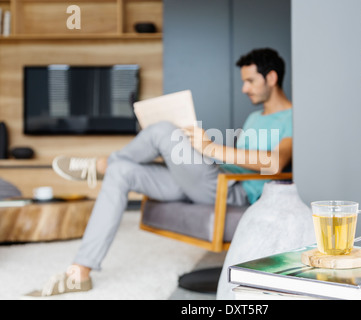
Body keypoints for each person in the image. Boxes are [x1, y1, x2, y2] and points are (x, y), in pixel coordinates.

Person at [25, 48, 293, 297]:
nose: (244, 88)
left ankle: (101, 165)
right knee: (122, 172)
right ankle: (80, 272)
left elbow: (275, 163)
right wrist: (199, 153)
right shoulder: (254, 118)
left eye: (250, 81)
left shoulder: (293, 118)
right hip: (214, 177)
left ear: (271, 77)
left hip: (233, 189)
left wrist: (211, 148)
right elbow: (237, 159)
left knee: (163, 130)